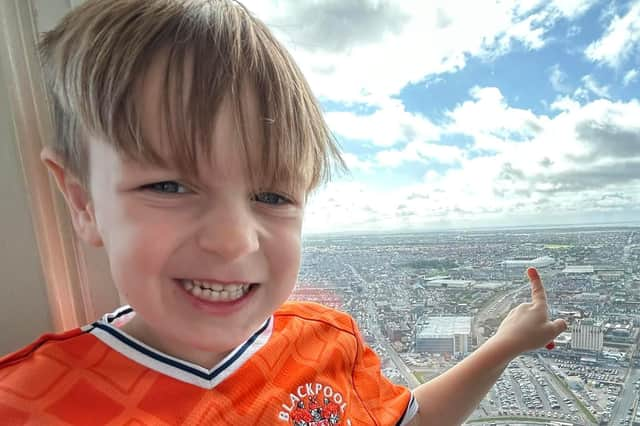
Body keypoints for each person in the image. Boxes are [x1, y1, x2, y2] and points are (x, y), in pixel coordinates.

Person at [0, 1, 567, 425]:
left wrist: (506, 344)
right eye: (169, 184)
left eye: (271, 196)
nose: (231, 240)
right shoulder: (28, 404)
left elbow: (411, 418)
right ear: (82, 203)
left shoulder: (326, 341)